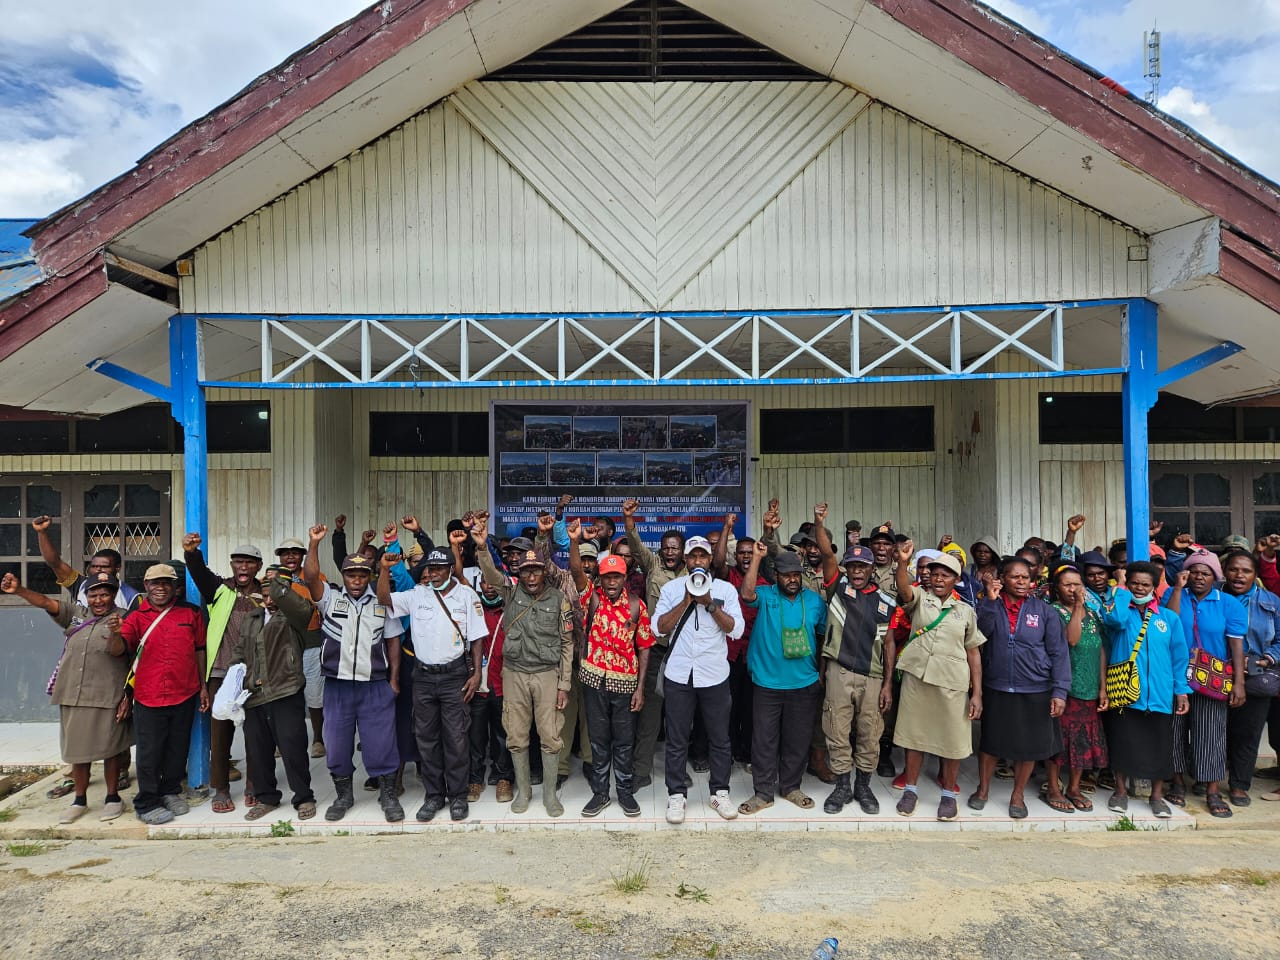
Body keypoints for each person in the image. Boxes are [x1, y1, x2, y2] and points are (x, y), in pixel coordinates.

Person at [2, 570, 132, 823]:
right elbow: (45, 602)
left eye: (104, 594)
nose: (98, 600)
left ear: (113, 595)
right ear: (87, 596)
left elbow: (118, 652)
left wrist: (117, 632)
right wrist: (19, 590)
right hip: (73, 693)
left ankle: (112, 797)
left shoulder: (125, 618)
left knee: (111, 749)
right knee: (77, 751)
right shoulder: (76, 614)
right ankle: (79, 800)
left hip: (107, 694)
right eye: (93, 595)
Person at [303, 525, 404, 823]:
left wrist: (394, 679)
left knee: (381, 743)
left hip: (375, 685)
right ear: (344, 576)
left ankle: (388, 795)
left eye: (362, 575)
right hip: (338, 686)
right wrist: (314, 544)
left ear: (369, 576)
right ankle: (343, 796)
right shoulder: (330, 599)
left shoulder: (382, 603)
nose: (357, 580)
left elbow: (393, 641)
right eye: (351, 575)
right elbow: (311, 577)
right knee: (337, 744)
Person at [473, 515, 573, 818]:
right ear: (520, 571)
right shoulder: (510, 591)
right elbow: (491, 575)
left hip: (546, 674)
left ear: (543, 572)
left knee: (550, 735)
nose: (531, 576)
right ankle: (524, 792)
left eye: (536, 571)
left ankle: (550, 795)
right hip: (515, 673)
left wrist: (564, 685)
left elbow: (567, 644)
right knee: (516, 734)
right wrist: (482, 548)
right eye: (526, 570)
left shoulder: (558, 599)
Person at [32, 514, 138, 798]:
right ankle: (76, 782)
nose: (98, 570)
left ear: (117, 569)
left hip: (113, 671)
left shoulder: (132, 598)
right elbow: (54, 563)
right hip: (82, 667)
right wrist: (42, 533)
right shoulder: (81, 584)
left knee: (114, 732)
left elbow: (133, 647)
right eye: (94, 566)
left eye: (105, 566)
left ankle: (119, 775)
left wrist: (129, 691)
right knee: (79, 735)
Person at [379, 544, 485, 822]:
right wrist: (384, 570)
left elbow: (477, 638)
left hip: (454, 676)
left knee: (456, 738)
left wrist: (476, 674)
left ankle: (458, 796)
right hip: (423, 677)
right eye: (430, 569)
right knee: (427, 739)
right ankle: (434, 795)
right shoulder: (417, 594)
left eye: (439, 569)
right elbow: (384, 599)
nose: (433, 574)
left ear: (450, 569)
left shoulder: (467, 596)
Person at [653, 535, 745, 824]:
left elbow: (736, 630)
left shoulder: (725, 590)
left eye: (702, 556)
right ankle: (676, 795)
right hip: (679, 675)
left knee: (720, 738)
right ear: (685, 559)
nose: (697, 561)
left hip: (714, 675)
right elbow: (658, 628)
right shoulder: (671, 589)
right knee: (677, 739)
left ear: (710, 559)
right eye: (692, 556)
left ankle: (720, 792)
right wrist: (686, 601)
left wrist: (709, 604)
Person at [969, 556, 1070, 819]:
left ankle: (1018, 795)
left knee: (1029, 747)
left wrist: (1060, 691)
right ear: (1003, 579)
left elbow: (1059, 653)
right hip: (998, 685)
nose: (1022, 581)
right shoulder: (990, 603)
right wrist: (990, 602)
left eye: (1025, 577)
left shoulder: (1044, 611)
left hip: (1035, 688)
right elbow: (980, 635)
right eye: (1015, 577)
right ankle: (983, 789)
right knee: (991, 743)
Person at [567, 521, 654, 817]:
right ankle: (601, 793)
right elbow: (577, 571)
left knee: (624, 742)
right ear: (601, 579)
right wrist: (575, 541)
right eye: (607, 577)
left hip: (625, 685)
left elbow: (644, 647)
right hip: (594, 682)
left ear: (625, 577)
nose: (612, 582)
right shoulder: (591, 597)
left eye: (617, 576)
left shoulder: (636, 606)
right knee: (599, 740)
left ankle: (625, 793)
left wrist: (640, 689)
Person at [890, 544, 984, 821]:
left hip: (952, 683)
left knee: (952, 739)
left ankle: (948, 795)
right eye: (935, 574)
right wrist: (903, 563)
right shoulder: (920, 598)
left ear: (956, 579)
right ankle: (910, 790)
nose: (939, 579)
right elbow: (903, 588)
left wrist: (977, 693)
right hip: (918, 679)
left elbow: (974, 653)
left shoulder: (965, 611)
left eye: (946, 575)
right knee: (913, 737)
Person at [737, 543, 827, 814]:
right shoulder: (766, 595)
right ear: (776, 575)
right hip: (767, 682)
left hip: (804, 682)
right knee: (764, 740)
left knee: (797, 739)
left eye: (796, 575)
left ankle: (791, 787)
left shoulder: (814, 601)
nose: (792, 580)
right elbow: (746, 593)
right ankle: (763, 793)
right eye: (787, 575)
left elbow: (822, 638)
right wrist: (757, 557)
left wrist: (820, 674)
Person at [1098, 561, 1190, 818]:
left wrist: (1181, 690)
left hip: (1160, 694)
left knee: (1160, 747)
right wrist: (1120, 586)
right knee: (1123, 743)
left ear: (1154, 587)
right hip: (1126, 692)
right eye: (1134, 583)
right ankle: (1120, 792)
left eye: (1145, 584)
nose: (1139, 588)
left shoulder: (1168, 618)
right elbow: (1114, 618)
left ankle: (1156, 796)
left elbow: (1179, 657)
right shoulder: (1120, 613)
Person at [120, 563, 210, 825]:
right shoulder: (135, 617)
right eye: (155, 583)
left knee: (177, 748)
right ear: (146, 586)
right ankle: (146, 802)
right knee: (149, 752)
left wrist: (203, 686)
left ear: (175, 587)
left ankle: (170, 791)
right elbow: (120, 649)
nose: (160, 588)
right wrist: (114, 635)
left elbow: (200, 649)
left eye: (166, 583)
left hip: (185, 691)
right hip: (148, 694)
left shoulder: (191, 612)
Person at [228, 567, 318, 821]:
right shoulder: (253, 618)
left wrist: (279, 585)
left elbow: (298, 606)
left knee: (293, 748)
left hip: (285, 691)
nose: (270, 600)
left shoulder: (294, 616)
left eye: (275, 594)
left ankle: (303, 797)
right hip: (254, 694)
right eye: (266, 595)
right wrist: (235, 681)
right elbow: (240, 651)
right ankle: (266, 797)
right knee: (258, 751)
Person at [815, 533, 895, 816]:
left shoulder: (886, 601)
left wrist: (887, 684)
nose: (857, 572)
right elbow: (827, 555)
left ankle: (863, 786)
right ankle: (842, 787)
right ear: (846, 569)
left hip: (872, 676)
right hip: (840, 671)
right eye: (852, 567)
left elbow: (889, 643)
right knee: (836, 729)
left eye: (863, 567)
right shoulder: (838, 589)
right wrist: (820, 524)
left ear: (872, 570)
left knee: (870, 733)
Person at [1164, 549, 1248, 818]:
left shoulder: (1228, 603)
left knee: (1211, 733)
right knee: (1174, 730)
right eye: (1194, 572)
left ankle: (1212, 790)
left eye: (1206, 573)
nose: (1199, 577)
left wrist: (1238, 682)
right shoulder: (1173, 594)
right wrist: (1178, 588)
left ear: (1216, 577)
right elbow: (1169, 621)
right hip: (1175, 674)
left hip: (1212, 678)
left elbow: (1236, 645)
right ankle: (1177, 783)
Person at [183, 534, 263, 814]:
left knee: (256, 733)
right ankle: (221, 789)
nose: (243, 567)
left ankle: (254, 785)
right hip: (221, 672)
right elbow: (199, 572)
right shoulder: (220, 590)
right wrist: (192, 553)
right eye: (238, 562)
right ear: (232, 565)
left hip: (255, 674)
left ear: (258, 566)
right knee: (220, 735)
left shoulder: (266, 594)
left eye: (249, 562)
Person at [622, 497, 687, 789]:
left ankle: (678, 770)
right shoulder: (653, 565)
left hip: (683, 654)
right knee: (649, 716)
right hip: (656, 652)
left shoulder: (693, 573)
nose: (670, 552)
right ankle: (640, 771)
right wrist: (628, 518)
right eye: (666, 547)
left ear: (683, 551)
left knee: (680, 717)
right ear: (661, 550)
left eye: (675, 548)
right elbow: (635, 545)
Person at [1042, 565, 1109, 813]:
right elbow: (1071, 640)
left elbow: (1099, 649)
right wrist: (1079, 607)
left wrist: (1102, 687)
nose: (1073, 589)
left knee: (1082, 740)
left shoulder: (1092, 612)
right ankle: (1053, 788)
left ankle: (1074, 788)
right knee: (1059, 740)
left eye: (1077, 584)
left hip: (1089, 687)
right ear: (1057, 588)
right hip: (1064, 688)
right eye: (1067, 585)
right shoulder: (1053, 611)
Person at [1219, 550, 1280, 806]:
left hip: (1255, 675)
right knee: (1216, 730)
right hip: (1216, 672)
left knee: (1247, 733)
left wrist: (1263, 660)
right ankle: (1207, 779)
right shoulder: (1214, 596)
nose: (1239, 575)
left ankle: (1239, 785)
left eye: (1246, 571)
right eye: (1234, 569)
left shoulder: (1272, 602)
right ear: (1225, 571)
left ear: (1255, 575)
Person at [711, 511, 770, 769]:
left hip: (755, 656)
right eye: (742, 552)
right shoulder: (728, 576)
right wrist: (727, 527)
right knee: (728, 707)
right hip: (729, 654)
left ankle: (746, 753)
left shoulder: (765, 583)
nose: (746, 556)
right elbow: (718, 560)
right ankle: (728, 753)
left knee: (751, 708)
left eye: (750, 552)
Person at [272, 535, 326, 759]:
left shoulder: (315, 577)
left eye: (295, 552)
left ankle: (318, 739)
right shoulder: (273, 578)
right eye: (286, 553)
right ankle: (282, 741)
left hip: (311, 640)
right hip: (282, 643)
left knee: (314, 693)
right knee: (284, 695)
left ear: (302, 556)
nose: (290, 557)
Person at [468, 575, 514, 804]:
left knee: (502, 734)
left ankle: (504, 777)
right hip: (477, 685)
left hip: (503, 683)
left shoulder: (511, 610)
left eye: (493, 582)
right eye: (485, 582)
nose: (489, 587)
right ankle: (475, 778)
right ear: (479, 585)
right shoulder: (472, 610)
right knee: (475, 735)